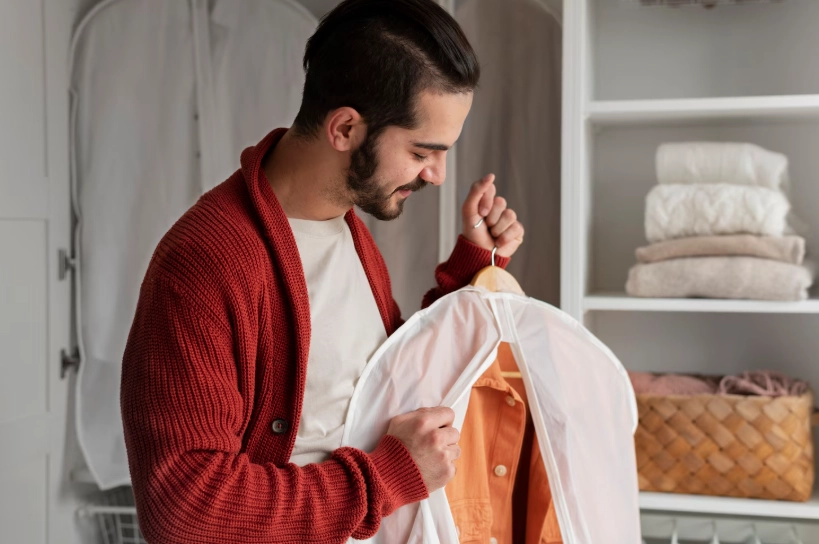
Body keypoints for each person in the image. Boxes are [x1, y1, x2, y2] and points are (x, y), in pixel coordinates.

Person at [120, 0, 524, 541]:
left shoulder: (346, 231)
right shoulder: (203, 264)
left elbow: (380, 382)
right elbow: (185, 510)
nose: (438, 174)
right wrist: (385, 478)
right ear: (345, 128)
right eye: (423, 150)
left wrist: (470, 265)